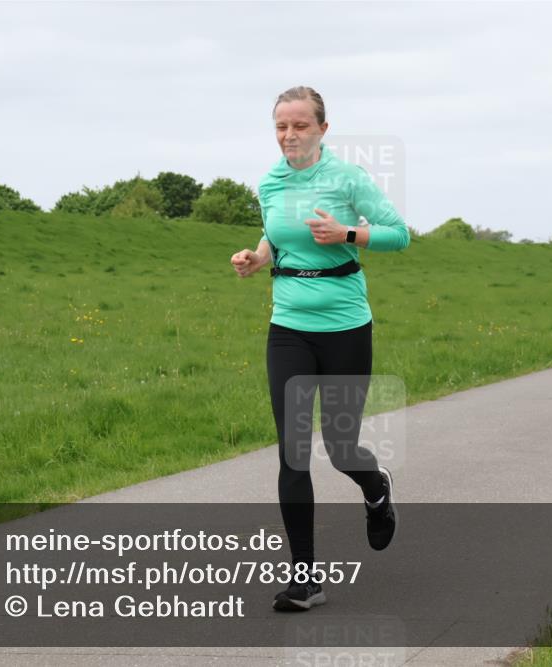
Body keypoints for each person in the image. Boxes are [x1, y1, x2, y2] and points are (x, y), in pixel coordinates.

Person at [230, 86, 409, 611]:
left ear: (323, 129)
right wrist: (257, 259)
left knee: (341, 445)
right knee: (293, 451)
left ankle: (376, 491)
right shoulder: (268, 181)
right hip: (288, 325)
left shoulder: (348, 179)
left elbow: (399, 234)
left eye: (300, 125)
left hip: (346, 325)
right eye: (281, 125)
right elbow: (275, 237)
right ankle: (305, 579)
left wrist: (349, 233)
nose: (289, 135)